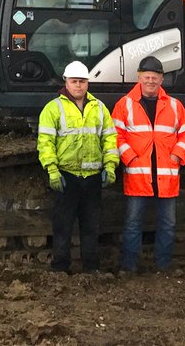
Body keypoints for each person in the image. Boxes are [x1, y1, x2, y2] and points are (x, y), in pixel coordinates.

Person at [113, 55, 185, 273]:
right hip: (138, 176)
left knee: (167, 224)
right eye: (147, 77)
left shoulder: (174, 105)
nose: (150, 81)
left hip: (166, 177)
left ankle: (163, 267)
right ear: (139, 78)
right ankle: (129, 266)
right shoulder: (125, 104)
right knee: (133, 224)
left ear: (161, 79)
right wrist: (130, 157)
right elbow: (115, 135)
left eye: (155, 77)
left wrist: (178, 155)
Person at [36, 60, 119, 273]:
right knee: (63, 227)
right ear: (66, 82)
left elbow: (110, 139)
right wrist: (52, 171)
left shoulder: (99, 108)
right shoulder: (53, 109)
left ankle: (91, 268)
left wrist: (110, 166)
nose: (78, 85)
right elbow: (45, 143)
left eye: (82, 81)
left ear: (87, 83)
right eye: (74, 81)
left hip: (92, 177)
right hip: (67, 177)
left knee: (91, 226)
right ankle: (60, 268)